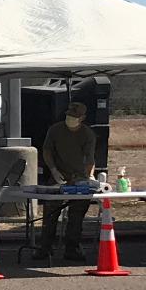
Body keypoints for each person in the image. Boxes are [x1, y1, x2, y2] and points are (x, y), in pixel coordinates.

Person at [34, 102, 97, 261]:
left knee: (77, 214)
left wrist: (88, 177)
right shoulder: (55, 130)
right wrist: (53, 170)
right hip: (58, 176)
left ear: (82, 118)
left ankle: (72, 248)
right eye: (69, 115)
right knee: (50, 212)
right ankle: (45, 248)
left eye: (75, 117)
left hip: (79, 177)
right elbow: (47, 150)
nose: (71, 119)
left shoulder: (88, 134)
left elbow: (90, 159)